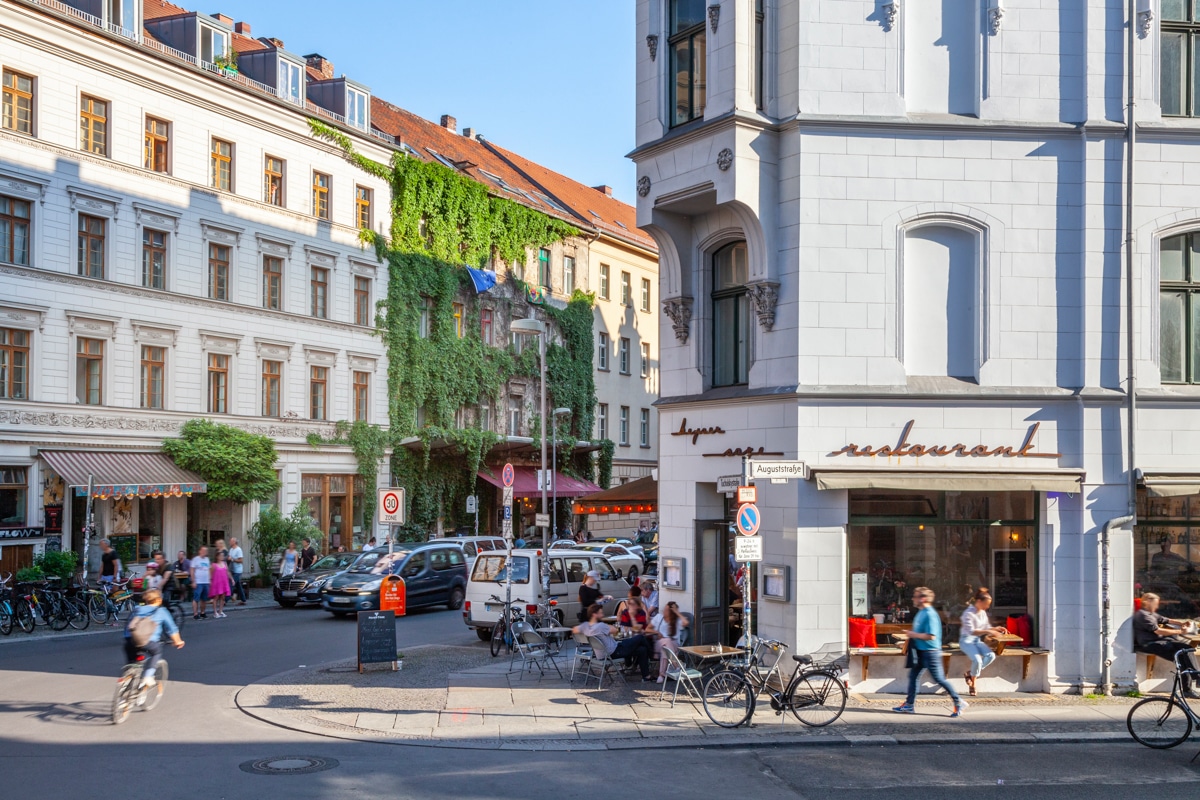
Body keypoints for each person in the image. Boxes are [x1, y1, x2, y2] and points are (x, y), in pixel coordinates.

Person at [893, 586, 968, 717]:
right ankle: (909, 705)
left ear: (923, 599)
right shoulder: (921, 612)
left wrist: (912, 634)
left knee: (939, 678)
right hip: (921, 650)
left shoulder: (929, 614)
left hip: (930, 651)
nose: (913, 599)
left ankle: (958, 701)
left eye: (915, 596)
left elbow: (931, 635)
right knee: (913, 677)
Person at [1134, 593, 1200, 698]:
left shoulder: (1151, 614)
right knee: (1185, 650)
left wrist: (1182, 623)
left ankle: (1188, 689)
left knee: (1183, 656)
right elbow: (1158, 631)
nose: (1157, 606)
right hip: (1151, 644)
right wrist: (1180, 631)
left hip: (1160, 642)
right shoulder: (1143, 615)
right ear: (1148, 602)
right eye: (1156, 603)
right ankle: (1197, 677)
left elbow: (1166, 620)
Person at [573, 603, 654, 681]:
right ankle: (653, 656)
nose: (603, 615)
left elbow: (574, 629)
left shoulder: (585, 626)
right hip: (614, 652)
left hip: (601, 655)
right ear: (595, 614)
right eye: (601, 613)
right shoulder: (601, 626)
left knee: (642, 650)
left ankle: (646, 676)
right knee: (640, 637)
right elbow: (615, 630)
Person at [123, 589, 184, 689]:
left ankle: (126, 687)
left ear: (146, 600)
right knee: (156, 652)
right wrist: (178, 641)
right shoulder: (161, 611)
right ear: (159, 600)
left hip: (130, 641)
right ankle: (148, 676)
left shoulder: (137, 609)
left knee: (132, 663)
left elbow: (128, 627)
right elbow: (172, 629)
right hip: (148, 642)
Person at [959, 587, 1007, 696]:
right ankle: (973, 685)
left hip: (976, 641)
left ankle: (970, 673)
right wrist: (990, 631)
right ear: (979, 601)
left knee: (991, 656)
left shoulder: (982, 613)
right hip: (966, 641)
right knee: (978, 661)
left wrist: (996, 628)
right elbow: (972, 631)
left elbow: (985, 627)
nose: (987, 607)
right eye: (986, 604)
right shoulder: (968, 613)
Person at [651, 601, 689, 682]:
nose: (664, 611)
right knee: (666, 642)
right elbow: (647, 629)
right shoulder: (658, 617)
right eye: (664, 609)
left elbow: (686, 623)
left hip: (673, 644)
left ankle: (661, 674)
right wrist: (656, 632)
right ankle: (677, 666)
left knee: (665, 648)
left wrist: (676, 612)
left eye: (667, 610)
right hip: (659, 643)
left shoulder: (677, 620)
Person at [190, 546, 212, 620]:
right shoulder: (195, 559)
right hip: (198, 582)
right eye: (203, 551)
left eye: (206, 551)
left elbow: (209, 570)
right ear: (200, 551)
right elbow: (192, 570)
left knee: (204, 599)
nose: (204, 552)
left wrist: (210, 580)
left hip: (206, 582)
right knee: (196, 598)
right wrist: (193, 581)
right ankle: (195, 614)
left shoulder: (207, 559)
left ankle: (203, 613)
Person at [210, 550, 232, 618]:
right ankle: (215, 612)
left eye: (223, 555)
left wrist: (232, 579)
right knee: (216, 597)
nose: (222, 557)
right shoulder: (214, 565)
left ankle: (220, 611)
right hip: (217, 583)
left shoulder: (224, 563)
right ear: (217, 557)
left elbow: (227, 572)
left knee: (223, 597)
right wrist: (210, 581)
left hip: (224, 582)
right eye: (221, 555)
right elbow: (210, 573)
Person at [227, 537, 246, 605]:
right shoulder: (231, 549)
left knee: (231, 584)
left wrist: (233, 559)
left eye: (231, 541)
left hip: (238, 571)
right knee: (238, 586)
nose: (229, 542)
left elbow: (241, 560)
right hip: (232, 569)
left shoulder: (238, 550)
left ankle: (225, 600)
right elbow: (229, 558)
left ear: (234, 542)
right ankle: (243, 600)